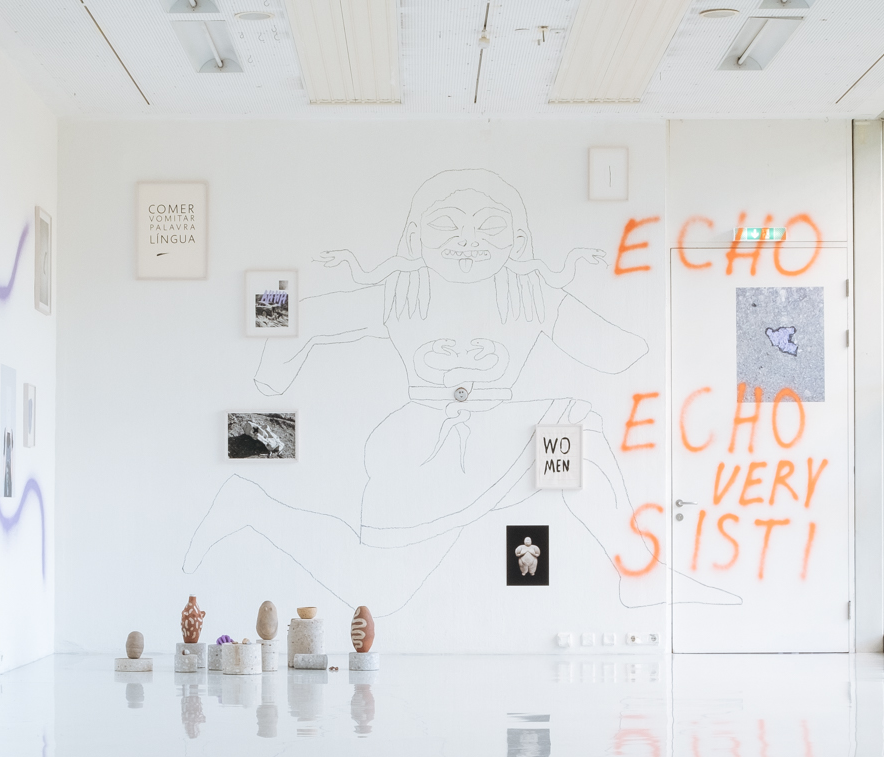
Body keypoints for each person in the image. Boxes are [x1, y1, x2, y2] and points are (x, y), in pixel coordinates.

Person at [184, 168, 737, 615]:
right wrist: (271, 376)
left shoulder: (529, 293)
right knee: (379, 592)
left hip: (501, 433)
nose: (468, 241)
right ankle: (249, 506)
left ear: (517, 239)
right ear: (415, 238)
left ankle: (636, 571)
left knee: (577, 424)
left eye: (489, 226)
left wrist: (661, 319)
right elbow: (308, 317)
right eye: (446, 225)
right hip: (421, 445)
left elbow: (617, 351)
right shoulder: (403, 290)